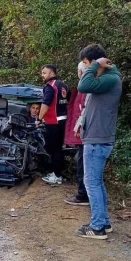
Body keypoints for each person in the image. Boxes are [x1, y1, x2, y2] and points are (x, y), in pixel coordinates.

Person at [75, 44, 122, 239]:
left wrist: (93, 66)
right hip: (96, 137)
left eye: (86, 63)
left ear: (96, 62)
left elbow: (82, 86)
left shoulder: (110, 78)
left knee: (91, 182)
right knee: (96, 181)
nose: (85, 68)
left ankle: (97, 227)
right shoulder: (105, 79)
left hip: (98, 139)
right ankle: (103, 222)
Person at [37, 64, 69, 185]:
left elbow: (45, 104)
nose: (42, 75)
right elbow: (67, 101)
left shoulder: (50, 86)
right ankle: (57, 172)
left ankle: (57, 176)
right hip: (62, 121)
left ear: (51, 73)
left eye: (44, 73)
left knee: (54, 150)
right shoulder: (63, 85)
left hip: (53, 122)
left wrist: (39, 119)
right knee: (57, 149)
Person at [64, 60, 90, 205]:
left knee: (82, 164)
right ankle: (83, 193)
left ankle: (82, 195)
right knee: (81, 162)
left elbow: (83, 111)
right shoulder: (83, 89)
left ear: (80, 72)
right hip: (84, 133)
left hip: (83, 134)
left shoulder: (85, 89)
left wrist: (78, 129)